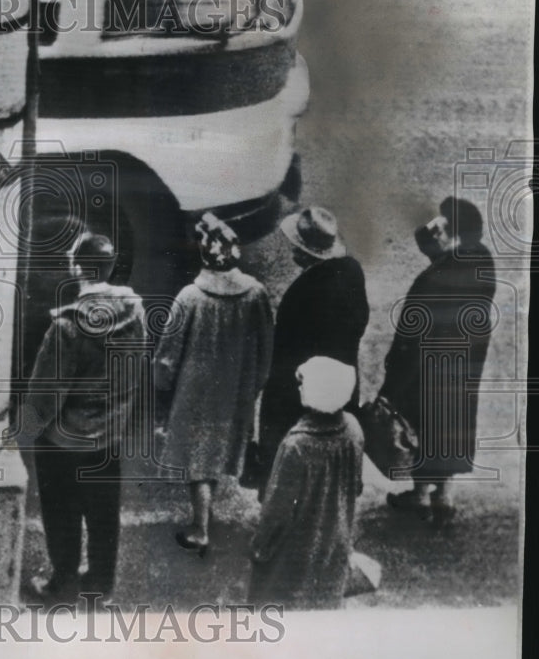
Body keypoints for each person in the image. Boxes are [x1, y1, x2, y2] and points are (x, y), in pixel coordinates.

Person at [17, 232, 149, 605]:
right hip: (109, 434)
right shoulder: (135, 312)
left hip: (64, 440)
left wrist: (26, 430)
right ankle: (101, 585)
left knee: (62, 511)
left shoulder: (66, 327)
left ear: (77, 269)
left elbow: (46, 392)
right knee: (103, 510)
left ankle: (62, 582)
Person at [153, 212, 273, 554]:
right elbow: (266, 348)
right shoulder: (256, 294)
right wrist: (255, 385)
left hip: (194, 392)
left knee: (198, 460)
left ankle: (200, 528)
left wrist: (162, 389)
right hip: (236, 391)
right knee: (220, 450)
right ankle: (208, 517)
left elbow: (167, 356)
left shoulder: (190, 297)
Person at [381, 197, 496, 527]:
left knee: (422, 424)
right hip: (464, 363)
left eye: (441, 229)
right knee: (452, 424)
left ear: (456, 236)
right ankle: (444, 497)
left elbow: (411, 336)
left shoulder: (434, 279)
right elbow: (433, 246)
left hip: (428, 365)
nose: (435, 233)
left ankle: (419, 496)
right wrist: (437, 228)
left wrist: (393, 379)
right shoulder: (479, 261)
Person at [255, 206, 369, 497]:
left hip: (304, 387)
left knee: (295, 456)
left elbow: (286, 347)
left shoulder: (305, 291)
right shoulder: (352, 272)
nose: (293, 250)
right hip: (343, 379)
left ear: (306, 254)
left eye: (297, 247)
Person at [248, 356, 365, 611]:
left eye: (304, 382)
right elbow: (355, 486)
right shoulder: (353, 430)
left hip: (297, 547)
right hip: (336, 540)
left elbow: (277, 509)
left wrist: (261, 546)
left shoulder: (296, 445)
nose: (299, 386)